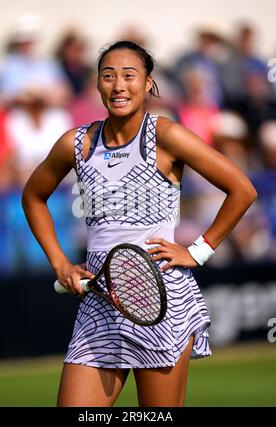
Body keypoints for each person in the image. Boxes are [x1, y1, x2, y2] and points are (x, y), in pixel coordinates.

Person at [22, 40, 257, 407]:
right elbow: (33, 197)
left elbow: (242, 189)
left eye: (129, 76)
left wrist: (199, 251)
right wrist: (60, 263)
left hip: (161, 300)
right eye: (108, 76)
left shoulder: (166, 135)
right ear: (98, 84)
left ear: (148, 83)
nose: (119, 86)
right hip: (99, 303)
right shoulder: (76, 143)